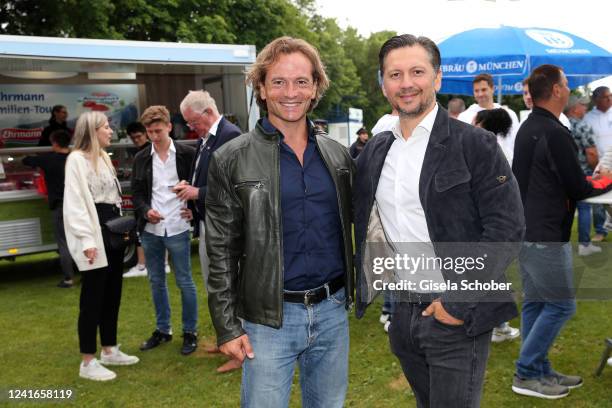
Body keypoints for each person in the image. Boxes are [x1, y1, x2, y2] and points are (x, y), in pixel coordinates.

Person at [353, 34, 524, 408]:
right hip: (403, 312)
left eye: (417, 71)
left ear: (438, 78)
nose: (406, 83)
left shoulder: (474, 144)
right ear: (383, 85)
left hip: (456, 314)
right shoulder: (376, 150)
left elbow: (506, 228)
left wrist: (457, 303)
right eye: (395, 74)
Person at [206, 36, 354, 407]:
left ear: (316, 87)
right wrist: (227, 326)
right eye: (279, 82)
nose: (291, 92)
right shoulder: (231, 158)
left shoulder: (338, 157)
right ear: (261, 87)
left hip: (333, 311)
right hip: (267, 321)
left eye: (302, 81)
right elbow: (220, 251)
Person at [512, 65, 612, 399]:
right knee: (561, 306)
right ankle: (526, 372)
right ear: (555, 90)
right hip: (544, 234)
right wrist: (606, 178)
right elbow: (577, 186)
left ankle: (538, 368)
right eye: (567, 84)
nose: (570, 89)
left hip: (528, 230)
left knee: (536, 304)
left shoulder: (530, 127)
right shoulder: (554, 132)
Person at [63, 111, 139, 381]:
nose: (111, 131)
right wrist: (86, 240)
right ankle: (87, 361)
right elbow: (75, 204)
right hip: (94, 235)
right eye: (106, 127)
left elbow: (113, 198)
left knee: (112, 293)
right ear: (93, 131)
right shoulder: (76, 160)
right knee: (92, 298)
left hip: (113, 233)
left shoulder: (105, 157)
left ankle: (109, 348)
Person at [175, 90, 242, 372]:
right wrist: (195, 205)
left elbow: (238, 184)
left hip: (225, 227)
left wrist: (197, 192)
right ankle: (226, 337)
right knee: (217, 286)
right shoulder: (206, 140)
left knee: (229, 286)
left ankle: (240, 351)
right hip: (208, 223)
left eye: (192, 122)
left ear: (206, 113)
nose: (191, 128)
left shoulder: (231, 135)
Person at [131, 106, 199, 355]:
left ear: (169, 126)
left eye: (158, 130)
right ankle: (163, 330)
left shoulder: (187, 153)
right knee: (156, 280)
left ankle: (190, 332)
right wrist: (145, 210)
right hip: (151, 229)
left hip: (179, 227)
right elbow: (136, 194)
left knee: (185, 281)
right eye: (149, 131)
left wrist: (196, 209)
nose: (154, 136)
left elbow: (203, 185)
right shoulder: (141, 158)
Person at [473, 108, 522, 344]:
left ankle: (496, 323)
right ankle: (496, 323)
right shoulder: (497, 149)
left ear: (482, 122)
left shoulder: (481, 146)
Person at [23, 129, 74, 288]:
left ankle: (68, 279)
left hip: (59, 207)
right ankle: (89, 274)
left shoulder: (48, 159)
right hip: (77, 205)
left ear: (54, 143)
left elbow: (26, 160)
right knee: (80, 240)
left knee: (63, 242)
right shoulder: (75, 158)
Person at [565, 95, 601, 256]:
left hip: (565, 173)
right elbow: (591, 153)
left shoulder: (560, 124)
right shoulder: (583, 126)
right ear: (574, 108)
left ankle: (560, 244)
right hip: (583, 172)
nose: (585, 108)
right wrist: (596, 171)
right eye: (583, 105)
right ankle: (584, 245)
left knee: (565, 208)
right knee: (585, 208)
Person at [583, 86, 612, 242]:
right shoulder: (588, 118)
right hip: (599, 163)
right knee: (599, 201)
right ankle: (601, 230)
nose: (609, 99)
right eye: (605, 96)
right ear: (596, 99)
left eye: (610, 95)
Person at [123, 121, 151, 278]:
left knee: (141, 231)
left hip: (145, 198)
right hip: (144, 197)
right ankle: (160, 264)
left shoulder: (148, 150)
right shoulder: (139, 151)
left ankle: (141, 266)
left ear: (145, 134)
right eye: (133, 138)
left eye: (138, 136)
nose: (136, 140)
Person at [458, 73, 520, 140]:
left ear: (492, 89)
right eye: (476, 91)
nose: (480, 94)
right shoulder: (464, 117)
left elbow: (516, 140)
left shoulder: (510, 114)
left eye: (484, 90)